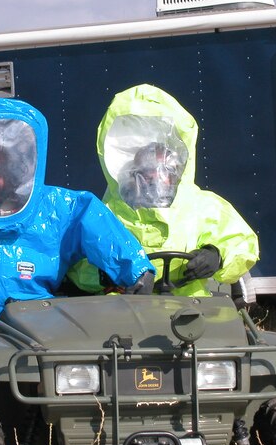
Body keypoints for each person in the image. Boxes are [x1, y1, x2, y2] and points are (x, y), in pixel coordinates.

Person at [0, 97, 155, 372]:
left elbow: (93, 220)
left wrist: (136, 269)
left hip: (40, 307)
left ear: (14, 171)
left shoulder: (52, 206)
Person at [69, 84, 259, 297]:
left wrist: (216, 255)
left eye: (163, 170)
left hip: (190, 315)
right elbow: (76, 268)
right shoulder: (105, 214)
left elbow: (241, 243)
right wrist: (109, 273)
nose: (156, 178)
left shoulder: (201, 207)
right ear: (132, 172)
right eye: (147, 172)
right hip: (120, 313)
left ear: (176, 170)